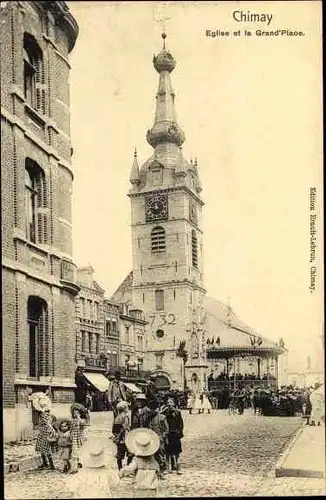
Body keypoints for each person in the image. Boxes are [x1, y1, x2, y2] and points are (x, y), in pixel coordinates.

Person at [119, 428, 161, 498]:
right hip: (152, 488)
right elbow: (158, 472)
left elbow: (129, 469)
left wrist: (121, 473)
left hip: (140, 488)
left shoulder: (137, 460)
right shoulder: (153, 460)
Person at [32, 393, 57, 470]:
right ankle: (45, 463)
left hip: (46, 433)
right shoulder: (41, 413)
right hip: (42, 433)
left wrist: (51, 433)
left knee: (47, 448)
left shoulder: (45, 414)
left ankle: (51, 464)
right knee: (42, 448)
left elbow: (49, 423)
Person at [145, 399, 169, 478]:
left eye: (154, 409)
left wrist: (162, 437)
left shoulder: (162, 417)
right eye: (151, 409)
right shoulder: (148, 418)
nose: (152, 410)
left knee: (161, 456)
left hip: (159, 439)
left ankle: (162, 471)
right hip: (151, 440)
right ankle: (155, 472)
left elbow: (166, 429)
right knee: (152, 456)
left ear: (157, 409)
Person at [163, 397, 184, 474]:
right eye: (168, 403)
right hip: (168, 434)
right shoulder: (165, 412)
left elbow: (181, 423)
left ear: (174, 404)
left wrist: (179, 432)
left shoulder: (177, 412)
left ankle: (178, 468)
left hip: (175, 434)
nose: (169, 404)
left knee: (177, 452)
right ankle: (168, 468)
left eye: (171, 402)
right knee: (167, 452)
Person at [69, 402, 88, 474]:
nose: (75, 414)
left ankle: (81, 463)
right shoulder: (73, 421)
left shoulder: (82, 421)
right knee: (74, 452)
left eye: (77, 413)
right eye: (74, 413)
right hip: (74, 438)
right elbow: (71, 428)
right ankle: (75, 468)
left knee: (80, 451)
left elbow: (84, 427)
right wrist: (70, 435)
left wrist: (79, 419)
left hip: (80, 438)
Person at [112, 400, 131, 470]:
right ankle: (127, 468)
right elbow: (125, 428)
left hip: (120, 439)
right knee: (129, 454)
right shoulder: (125, 416)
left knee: (120, 456)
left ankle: (120, 469)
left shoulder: (117, 417)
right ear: (124, 408)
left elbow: (114, 430)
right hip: (125, 438)